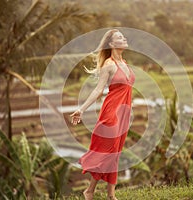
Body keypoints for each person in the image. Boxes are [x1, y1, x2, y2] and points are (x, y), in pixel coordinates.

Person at [70, 28, 135, 200]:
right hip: (111, 113)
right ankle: (89, 190)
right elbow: (99, 90)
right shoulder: (109, 65)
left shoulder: (125, 63)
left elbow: (126, 91)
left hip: (123, 115)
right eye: (120, 37)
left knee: (116, 153)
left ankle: (111, 195)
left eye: (123, 36)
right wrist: (81, 109)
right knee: (109, 152)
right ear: (112, 44)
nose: (124, 38)